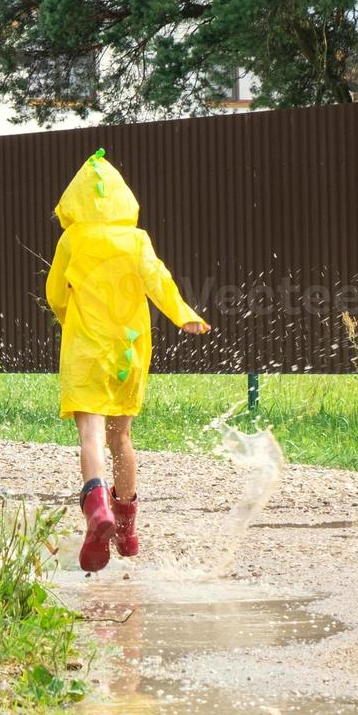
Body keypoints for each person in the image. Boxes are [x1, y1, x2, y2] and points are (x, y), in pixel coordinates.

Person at [45, 150, 210, 572]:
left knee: (91, 436)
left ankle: (95, 506)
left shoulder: (71, 239)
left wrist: (68, 317)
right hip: (128, 351)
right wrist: (184, 314)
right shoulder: (137, 239)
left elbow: (55, 294)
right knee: (122, 441)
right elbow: (158, 279)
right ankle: (127, 530)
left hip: (86, 348)